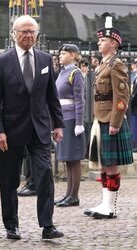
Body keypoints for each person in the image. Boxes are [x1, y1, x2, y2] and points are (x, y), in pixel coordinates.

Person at [0, 15, 64, 240]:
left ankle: (47, 225)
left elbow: (52, 96)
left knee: (45, 174)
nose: (28, 35)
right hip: (10, 131)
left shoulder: (44, 59)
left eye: (32, 31)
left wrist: (58, 124)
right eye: (23, 31)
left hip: (39, 129)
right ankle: (11, 225)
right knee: (10, 180)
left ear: (37, 35)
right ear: (14, 34)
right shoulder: (2, 61)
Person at [84, 17, 133, 219]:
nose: (99, 43)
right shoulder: (103, 64)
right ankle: (105, 203)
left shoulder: (117, 65)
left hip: (111, 121)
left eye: (102, 40)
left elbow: (122, 97)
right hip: (101, 119)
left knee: (111, 165)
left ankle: (111, 207)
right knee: (104, 164)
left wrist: (115, 123)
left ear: (113, 43)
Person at [54, 44, 86, 207]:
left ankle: (74, 195)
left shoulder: (76, 73)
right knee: (67, 159)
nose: (60, 56)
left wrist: (79, 123)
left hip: (72, 119)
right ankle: (68, 194)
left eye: (64, 53)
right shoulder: (62, 72)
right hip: (63, 118)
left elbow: (80, 100)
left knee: (74, 159)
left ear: (73, 55)